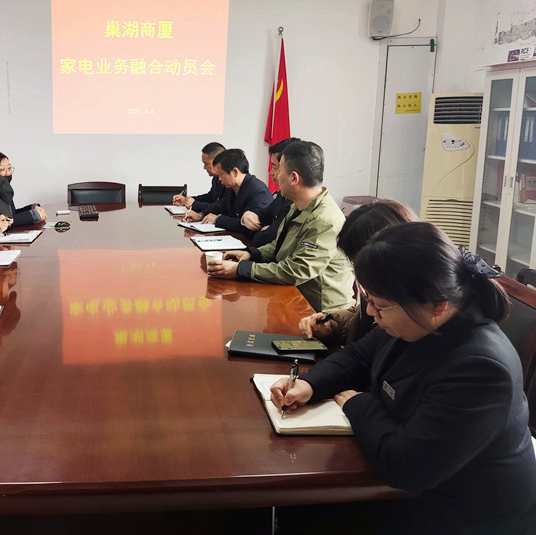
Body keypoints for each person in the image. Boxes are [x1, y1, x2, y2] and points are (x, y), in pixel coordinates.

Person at [271, 222, 536, 535]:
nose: (371, 313)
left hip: (461, 512)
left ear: (437, 304)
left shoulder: (481, 369)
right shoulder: (414, 319)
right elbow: (358, 356)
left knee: (302, 511)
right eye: (368, 298)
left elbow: (406, 467)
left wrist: (358, 403)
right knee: (295, 507)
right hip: (412, 484)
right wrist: (309, 383)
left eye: (380, 305)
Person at [207, 140, 353, 313]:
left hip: (320, 313)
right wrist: (251, 254)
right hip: (294, 299)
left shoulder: (324, 219)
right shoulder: (298, 205)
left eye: (278, 169)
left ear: (294, 178)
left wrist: (242, 269)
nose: (273, 174)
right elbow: (280, 245)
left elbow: (296, 271)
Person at [298, 199, 419, 345]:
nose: (371, 310)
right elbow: (362, 319)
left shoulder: (412, 311)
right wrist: (331, 325)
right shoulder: (378, 285)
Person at [184, 148, 272, 235]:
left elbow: (248, 226)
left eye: (221, 174)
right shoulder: (232, 187)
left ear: (235, 172)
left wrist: (218, 219)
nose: (219, 179)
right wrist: (200, 215)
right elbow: (220, 206)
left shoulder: (258, 192)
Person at [241, 137, 298, 247]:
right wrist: (247, 216)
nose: (271, 172)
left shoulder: (295, 202)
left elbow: (263, 239)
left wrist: (265, 231)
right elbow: (262, 217)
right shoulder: (282, 195)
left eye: (275, 167)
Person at [0, 151, 47, 227]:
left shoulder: (4, 189)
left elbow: (12, 214)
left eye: (9, 168)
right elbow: (1, 222)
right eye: (3, 170)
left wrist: (33, 208)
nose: (8, 173)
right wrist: (33, 215)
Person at [172, 141, 227, 214]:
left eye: (206, 163)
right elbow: (210, 197)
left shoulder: (229, 182)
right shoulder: (216, 178)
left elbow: (220, 208)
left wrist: (194, 204)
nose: (204, 167)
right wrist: (187, 200)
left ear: (218, 162)